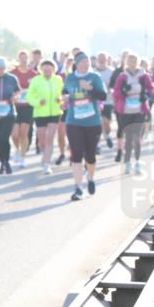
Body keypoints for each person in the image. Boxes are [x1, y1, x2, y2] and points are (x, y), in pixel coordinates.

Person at [63, 53, 107, 200]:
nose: (85, 64)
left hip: (92, 122)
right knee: (76, 154)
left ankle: (91, 177)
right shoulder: (70, 78)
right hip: (73, 121)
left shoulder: (95, 77)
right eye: (82, 62)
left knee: (90, 155)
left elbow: (103, 96)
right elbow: (65, 91)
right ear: (76, 63)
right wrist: (65, 97)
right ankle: (78, 188)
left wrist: (89, 88)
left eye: (87, 62)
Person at [113, 52, 154, 175]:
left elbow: (151, 88)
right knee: (128, 138)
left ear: (138, 62)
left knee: (137, 137)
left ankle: (137, 162)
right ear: (127, 62)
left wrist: (146, 95)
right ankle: (127, 163)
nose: (132, 63)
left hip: (139, 110)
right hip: (126, 110)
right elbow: (116, 93)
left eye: (134, 60)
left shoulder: (144, 75)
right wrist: (123, 91)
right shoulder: (122, 76)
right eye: (130, 60)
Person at [26, 60, 65, 175]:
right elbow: (29, 97)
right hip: (40, 113)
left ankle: (47, 164)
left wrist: (61, 100)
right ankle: (45, 154)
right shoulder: (36, 80)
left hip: (54, 112)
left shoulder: (58, 80)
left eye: (49, 69)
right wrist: (38, 102)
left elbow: (63, 94)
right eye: (45, 69)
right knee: (42, 140)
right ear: (41, 70)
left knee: (50, 138)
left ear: (54, 69)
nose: (47, 71)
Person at [10, 51, 37, 167]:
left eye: (25, 58)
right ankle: (17, 149)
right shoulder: (12, 74)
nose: (23, 60)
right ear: (18, 59)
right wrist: (13, 96)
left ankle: (23, 157)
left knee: (23, 133)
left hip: (28, 106)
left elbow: (37, 90)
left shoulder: (34, 74)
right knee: (15, 134)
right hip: (15, 107)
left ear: (28, 59)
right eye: (21, 58)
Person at [93, 52, 115, 149]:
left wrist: (110, 88)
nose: (101, 60)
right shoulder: (92, 72)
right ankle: (97, 144)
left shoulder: (111, 71)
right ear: (97, 60)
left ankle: (107, 135)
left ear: (107, 59)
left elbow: (115, 84)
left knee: (107, 123)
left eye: (103, 58)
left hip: (108, 100)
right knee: (99, 121)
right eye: (100, 58)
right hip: (96, 101)